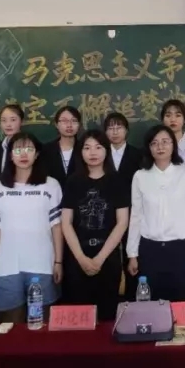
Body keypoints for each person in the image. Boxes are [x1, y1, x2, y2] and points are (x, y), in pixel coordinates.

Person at [0, 132, 64, 322]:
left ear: (37, 154)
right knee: (11, 322)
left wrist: (58, 262)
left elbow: (57, 227)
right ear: (11, 155)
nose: (24, 154)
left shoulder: (50, 185)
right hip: (7, 265)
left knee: (41, 322)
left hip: (42, 263)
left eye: (29, 149)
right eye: (18, 150)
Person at [127, 125, 185, 302]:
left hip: (180, 250)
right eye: (154, 143)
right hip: (149, 250)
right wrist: (132, 254)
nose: (160, 147)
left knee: (180, 302)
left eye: (165, 142)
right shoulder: (140, 176)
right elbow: (136, 216)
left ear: (173, 145)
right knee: (151, 304)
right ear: (149, 147)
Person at [60, 130, 129, 321]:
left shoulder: (117, 181)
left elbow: (122, 222)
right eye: (87, 148)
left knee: (107, 317)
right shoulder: (73, 181)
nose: (93, 152)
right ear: (80, 152)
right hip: (77, 257)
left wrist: (99, 258)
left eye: (98, 147)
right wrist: (81, 258)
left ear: (106, 150)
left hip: (108, 258)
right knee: (79, 318)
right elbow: (66, 222)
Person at [104, 111, 142, 298]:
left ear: (126, 130)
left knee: (132, 261)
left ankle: (131, 301)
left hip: (133, 214)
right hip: (106, 216)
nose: (115, 132)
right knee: (109, 262)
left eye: (119, 127)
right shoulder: (99, 154)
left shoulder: (138, 154)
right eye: (110, 128)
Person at [40, 106, 81, 185]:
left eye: (74, 121)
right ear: (56, 124)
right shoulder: (46, 150)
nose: (69, 125)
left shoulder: (85, 148)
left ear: (79, 124)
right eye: (64, 121)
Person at [0, 104, 24, 183]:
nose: (8, 124)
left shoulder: (30, 147)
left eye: (13, 120)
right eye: (4, 120)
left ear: (21, 121)